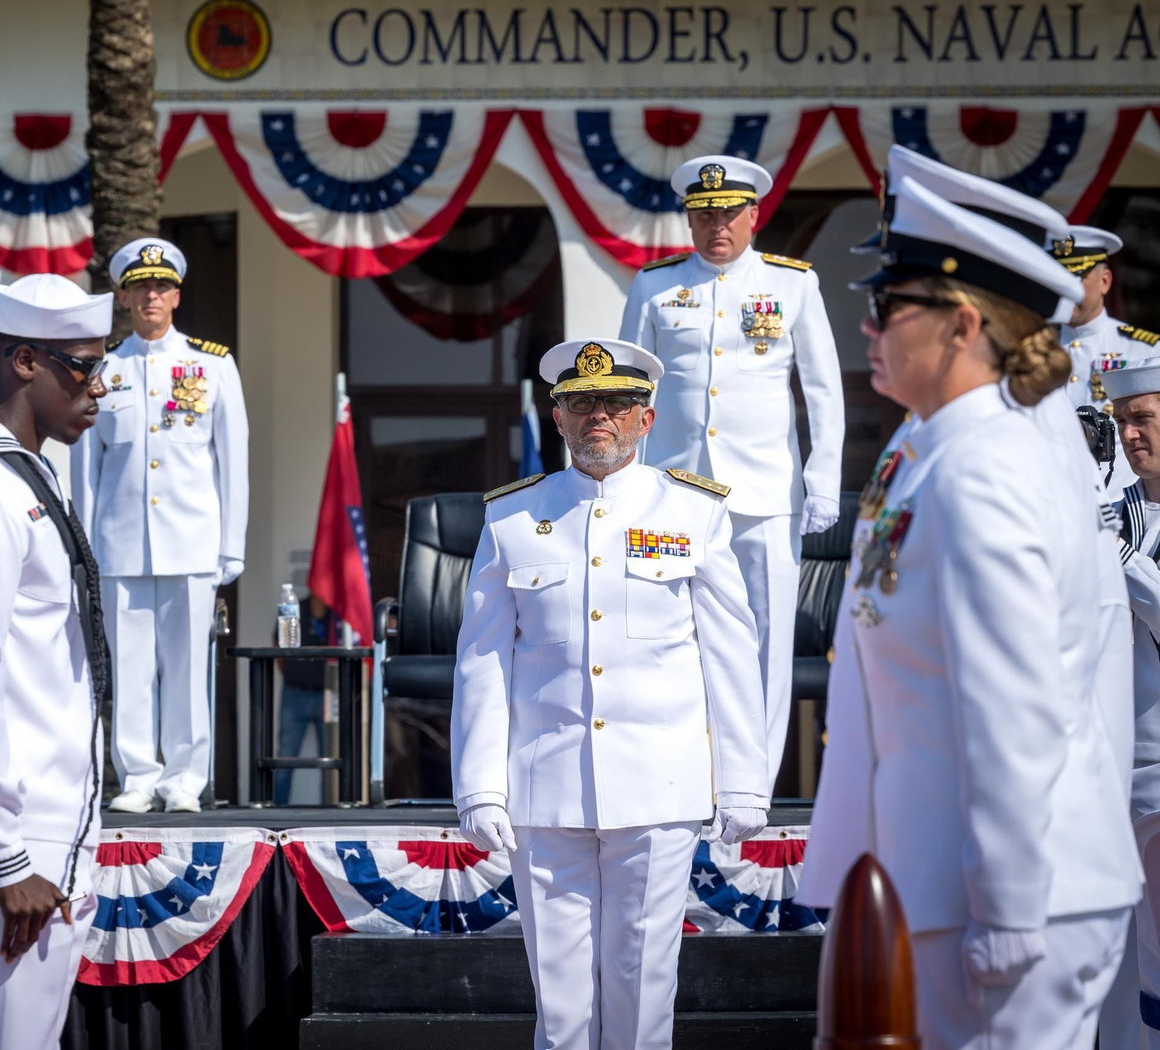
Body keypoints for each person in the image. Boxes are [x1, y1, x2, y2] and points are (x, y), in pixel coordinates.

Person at [798, 174, 1140, 1049]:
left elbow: (1014, 706)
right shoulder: (933, 447)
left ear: (962, 324)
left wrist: (1009, 905)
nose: (868, 326)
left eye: (890, 304)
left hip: (1007, 900)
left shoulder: (985, 466)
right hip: (946, 884)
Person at [452, 337, 770, 1050]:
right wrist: (479, 787)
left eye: (617, 403)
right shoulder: (512, 518)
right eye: (582, 402)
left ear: (646, 419)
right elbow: (482, 661)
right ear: (558, 417)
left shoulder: (693, 511)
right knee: (560, 1004)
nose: (600, 415)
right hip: (544, 786)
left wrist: (743, 781)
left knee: (642, 988)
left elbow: (729, 655)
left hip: (659, 785)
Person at [616, 154, 844, 785]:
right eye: (704, 215)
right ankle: (681, 778)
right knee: (668, 634)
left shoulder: (793, 284)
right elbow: (631, 391)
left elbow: (824, 391)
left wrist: (822, 481)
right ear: (689, 220)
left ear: (753, 216)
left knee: (767, 641)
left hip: (765, 492)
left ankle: (754, 787)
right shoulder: (654, 286)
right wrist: (624, 484)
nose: (717, 226)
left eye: (728, 215)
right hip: (673, 493)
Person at [0, 273, 112, 1050]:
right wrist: (6, 855)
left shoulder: (29, 473)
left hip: (48, 827)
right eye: (82, 367)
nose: (98, 387)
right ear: (24, 363)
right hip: (13, 840)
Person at [68, 236, 249, 814]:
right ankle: (137, 778)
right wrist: (85, 548)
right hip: (120, 545)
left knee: (188, 668)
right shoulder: (103, 369)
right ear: (123, 297)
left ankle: (184, 780)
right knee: (130, 667)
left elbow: (232, 461)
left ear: (176, 295)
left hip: (193, 544)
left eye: (162, 286)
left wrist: (231, 548)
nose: (152, 295)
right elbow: (86, 469)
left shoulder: (213, 365)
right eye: (140, 286)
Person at [1101, 358, 1160, 1050]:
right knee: (1110, 961)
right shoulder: (1111, 511)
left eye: (1142, 418)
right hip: (1106, 765)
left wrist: (1120, 558)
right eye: (1121, 421)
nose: (1129, 434)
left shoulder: (1114, 532)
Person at [1056, 226, 1156, 492]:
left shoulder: (1146, 349)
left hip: (1120, 503)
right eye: (1057, 278)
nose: (1065, 290)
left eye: (1075, 278)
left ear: (1105, 281)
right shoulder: (1028, 348)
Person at [274, 591, 334, 806]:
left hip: (327, 694)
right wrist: (295, 675)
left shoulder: (337, 614)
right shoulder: (294, 609)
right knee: (285, 758)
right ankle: (277, 811)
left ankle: (332, 810)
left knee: (331, 759)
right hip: (295, 693)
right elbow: (278, 647)